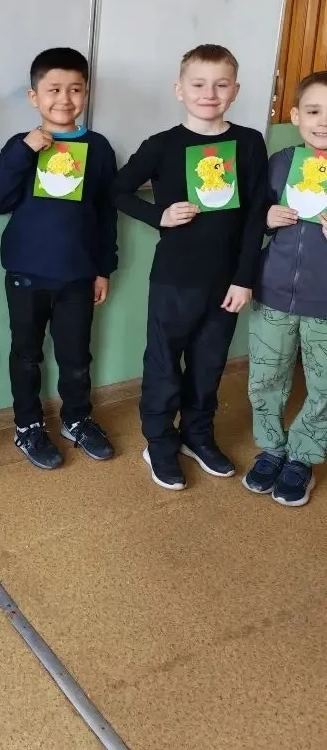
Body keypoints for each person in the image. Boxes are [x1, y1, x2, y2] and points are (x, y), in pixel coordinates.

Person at [113, 44, 268, 490]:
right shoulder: (162, 145)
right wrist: (157, 216)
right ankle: (159, 443)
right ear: (179, 89)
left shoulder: (248, 142)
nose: (209, 93)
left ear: (235, 90)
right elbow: (116, 191)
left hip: (226, 282)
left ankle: (197, 435)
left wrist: (244, 278)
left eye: (221, 85)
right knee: (164, 365)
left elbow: (255, 214)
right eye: (198, 84)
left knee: (209, 364)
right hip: (175, 279)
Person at [0, 48, 118, 470]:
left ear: (86, 93)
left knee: (76, 357)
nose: (64, 99)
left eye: (75, 89)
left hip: (78, 275)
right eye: (53, 89)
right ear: (34, 96)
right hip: (26, 274)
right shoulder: (20, 146)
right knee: (26, 354)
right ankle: (27, 425)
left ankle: (76, 419)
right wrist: (25, 151)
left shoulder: (98, 148)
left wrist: (103, 268)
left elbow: (106, 213)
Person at [244, 72, 327, 506]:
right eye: (314, 111)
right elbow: (250, 218)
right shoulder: (281, 161)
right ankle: (272, 448)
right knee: (266, 377)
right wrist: (266, 218)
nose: (323, 122)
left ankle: (303, 457)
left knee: (324, 386)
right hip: (273, 292)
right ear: (296, 116)